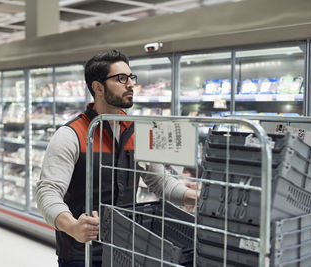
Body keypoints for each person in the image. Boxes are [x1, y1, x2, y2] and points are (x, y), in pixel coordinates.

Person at [35, 49, 198, 267]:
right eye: (121, 79)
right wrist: (73, 227)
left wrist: (193, 197)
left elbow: (159, 181)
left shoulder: (141, 130)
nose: (130, 84)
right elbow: (47, 192)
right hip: (82, 254)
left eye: (131, 77)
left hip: (128, 249)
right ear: (98, 87)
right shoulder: (71, 135)